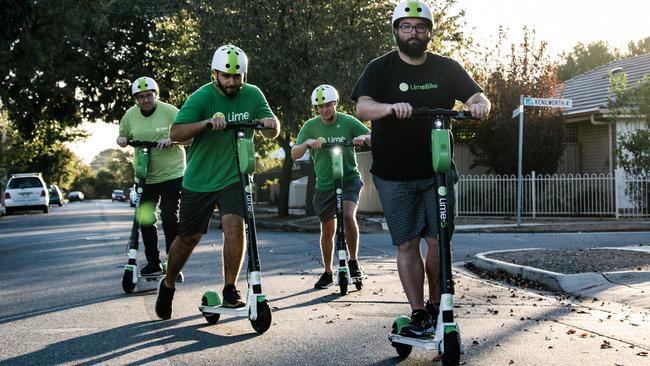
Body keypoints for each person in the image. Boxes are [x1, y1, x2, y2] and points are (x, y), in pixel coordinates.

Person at [351, 1, 491, 336]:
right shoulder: (380, 68)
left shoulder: (446, 68)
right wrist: (389, 107)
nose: (414, 33)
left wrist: (480, 105)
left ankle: (437, 304)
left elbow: (477, 96)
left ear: (429, 32)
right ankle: (418, 314)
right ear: (397, 30)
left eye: (420, 27)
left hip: (437, 170)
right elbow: (362, 107)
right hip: (393, 174)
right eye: (407, 27)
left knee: (439, 241)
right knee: (407, 244)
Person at [155, 44, 280, 320]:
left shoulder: (253, 94)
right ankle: (168, 284)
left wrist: (270, 123)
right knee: (188, 238)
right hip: (199, 180)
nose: (233, 82)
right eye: (227, 76)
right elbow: (175, 132)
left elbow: (272, 127)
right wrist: (207, 123)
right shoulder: (202, 97)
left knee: (234, 226)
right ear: (215, 74)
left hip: (234, 177)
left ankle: (230, 289)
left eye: (238, 76)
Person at [291, 84, 371, 289]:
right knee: (327, 230)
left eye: (327, 105)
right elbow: (294, 153)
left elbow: (373, 136)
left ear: (335, 103)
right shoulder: (310, 126)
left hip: (349, 179)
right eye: (320, 106)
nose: (324, 110)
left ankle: (353, 261)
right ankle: (327, 271)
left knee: (347, 215)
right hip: (325, 184)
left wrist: (363, 138)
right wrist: (308, 142)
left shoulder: (348, 121)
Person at [117, 76, 186, 278]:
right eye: (140, 97)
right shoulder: (130, 115)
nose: (145, 100)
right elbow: (123, 135)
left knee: (169, 218)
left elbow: (189, 136)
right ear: (135, 99)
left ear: (156, 95)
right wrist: (121, 139)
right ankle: (153, 263)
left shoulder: (171, 112)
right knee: (145, 219)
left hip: (173, 174)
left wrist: (172, 140)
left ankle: (173, 263)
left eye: (149, 95)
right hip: (145, 176)